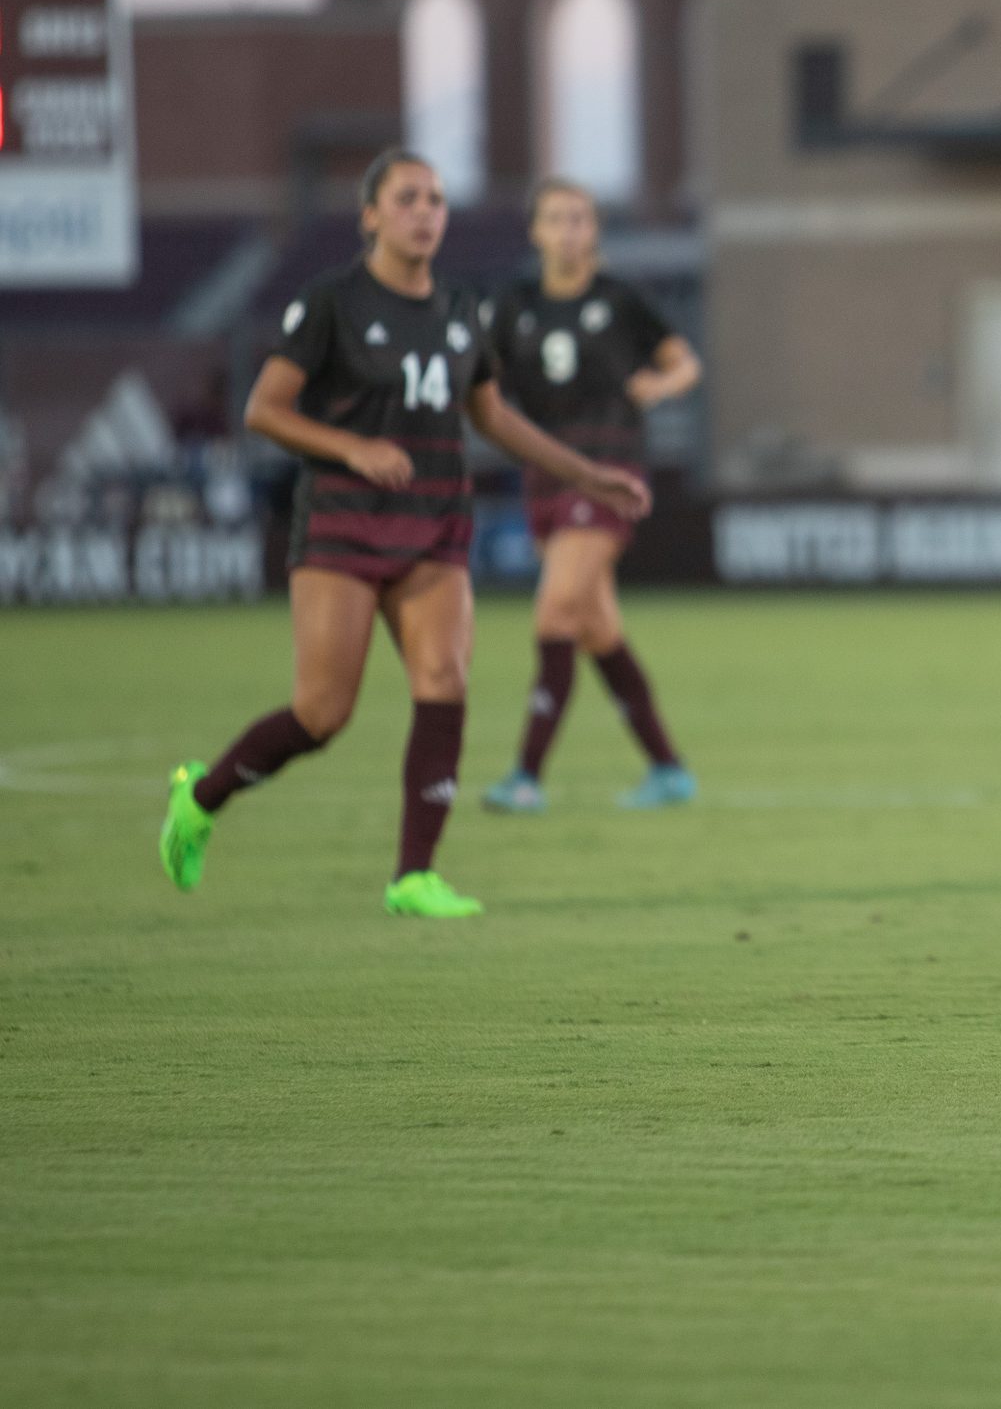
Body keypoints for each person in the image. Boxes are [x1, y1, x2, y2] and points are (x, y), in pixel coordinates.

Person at [155, 150, 652, 917]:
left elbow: (491, 416)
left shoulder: (460, 311)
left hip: (434, 522)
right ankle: (201, 797)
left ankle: (414, 876)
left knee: (445, 680)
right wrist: (352, 447)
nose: (426, 211)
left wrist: (588, 475)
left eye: (436, 200)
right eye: (408, 198)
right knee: (322, 714)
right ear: (372, 216)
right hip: (343, 526)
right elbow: (264, 410)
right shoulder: (332, 303)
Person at [480, 178, 702, 814]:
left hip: (609, 472)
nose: (571, 230)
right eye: (558, 219)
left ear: (595, 230)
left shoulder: (621, 299)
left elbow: (685, 363)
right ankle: (668, 769)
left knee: (554, 615)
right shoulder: (514, 304)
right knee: (597, 630)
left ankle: (525, 777)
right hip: (545, 477)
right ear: (536, 232)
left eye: (581, 219)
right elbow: (482, 385)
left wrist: (657, 389)